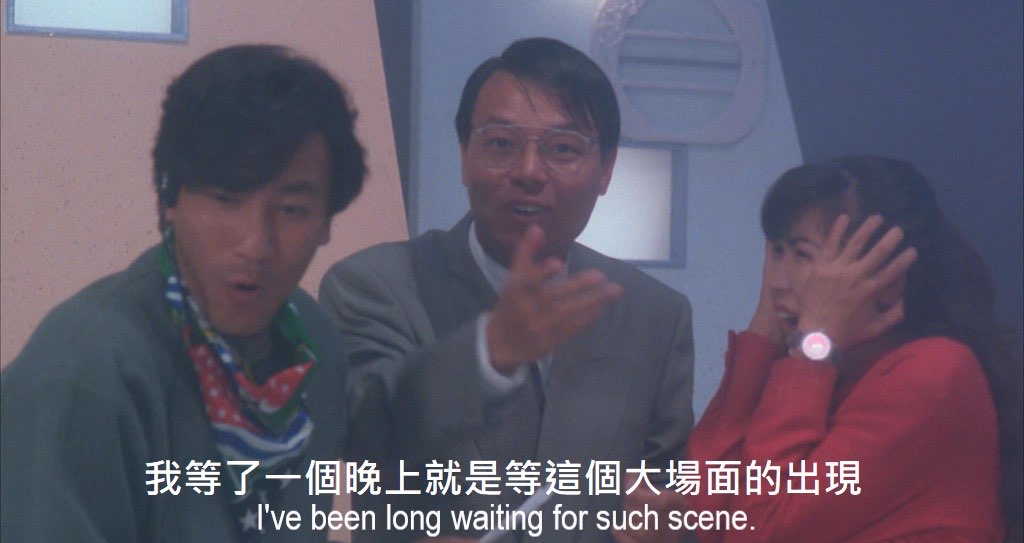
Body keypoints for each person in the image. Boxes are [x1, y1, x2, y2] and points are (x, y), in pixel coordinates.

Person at [319, 37, 694, 542]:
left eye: (563, 149)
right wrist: (488, 353)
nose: (529, 172)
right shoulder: (373, 287)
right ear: (464, 155)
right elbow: (365, 434)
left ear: (606, 169)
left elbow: (667, 502)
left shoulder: (654, 315)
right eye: (501, 144)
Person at [1, 44, 367, 542]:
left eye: (292, 210)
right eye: (226, 199)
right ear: (170, 198)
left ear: (326, 222)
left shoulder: (315, 343)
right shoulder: (84, 369)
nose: (255, 244)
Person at [618, 156, 1022, 542]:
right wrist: (763, 333)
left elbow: (757, 530)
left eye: (802, 254)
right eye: (777, 251)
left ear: (887, 278)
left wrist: (813, 347)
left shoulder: (934, 371)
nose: (778, 281)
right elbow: (707, 509)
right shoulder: (814, 369)